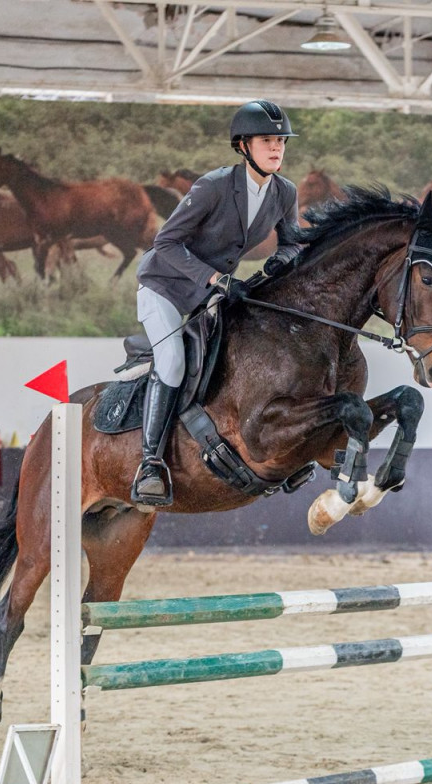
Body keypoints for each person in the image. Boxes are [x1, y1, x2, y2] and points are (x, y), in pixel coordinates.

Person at [130, 100, 302, 507]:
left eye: (280, 141)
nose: (276, 148)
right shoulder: (213, 186)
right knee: (171, 361)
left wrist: (279, 262)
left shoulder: (284, 192)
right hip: (164, 288)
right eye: (267, 140)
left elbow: (292, 243)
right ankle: (150, 462)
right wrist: (214, 279)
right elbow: (165, 243)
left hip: (214, 293)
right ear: (243, 145)